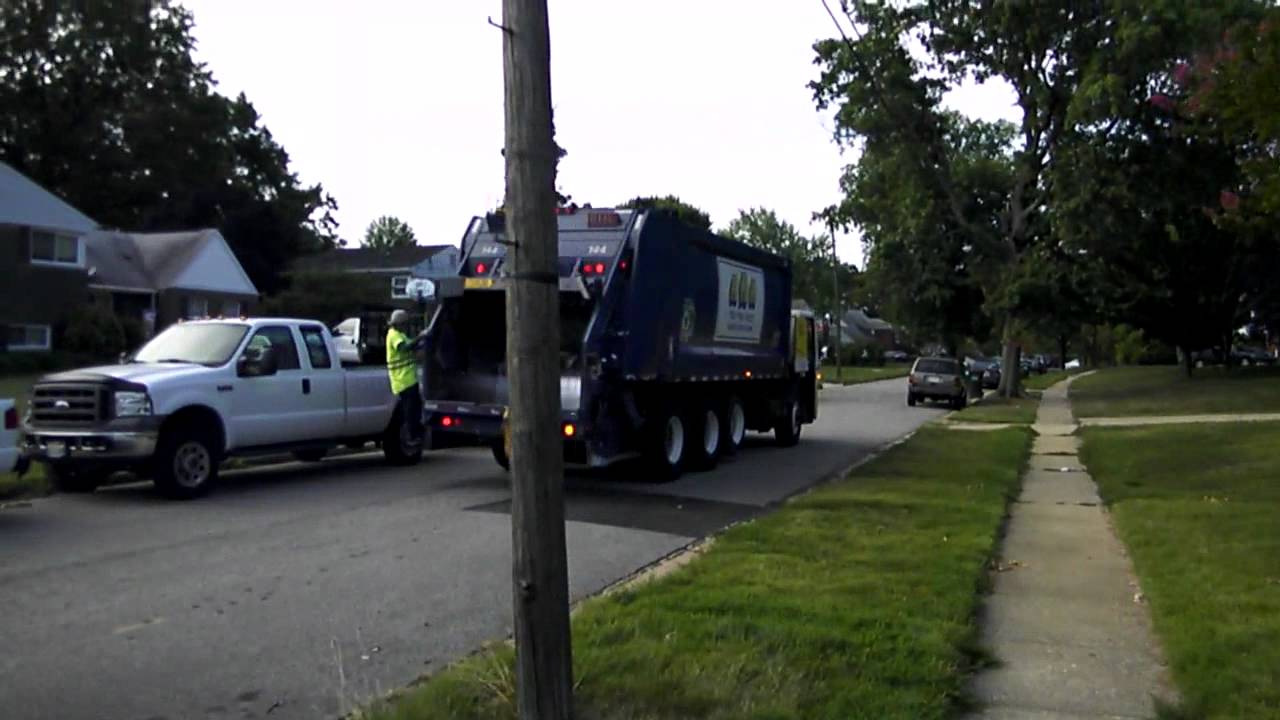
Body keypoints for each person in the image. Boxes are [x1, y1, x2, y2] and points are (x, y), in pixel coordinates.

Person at [386, 309, 428, 441]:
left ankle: (416, 432)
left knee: (416, 406)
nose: (406, 326)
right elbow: (404, 348)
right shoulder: (394, 335)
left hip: (407, 379)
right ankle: (413, 435)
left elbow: (411, 347)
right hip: (403, 379)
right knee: (411, 409)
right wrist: (420, 336)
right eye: (404, 323)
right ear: (399, 323)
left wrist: (422, 342)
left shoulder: (400, 335)